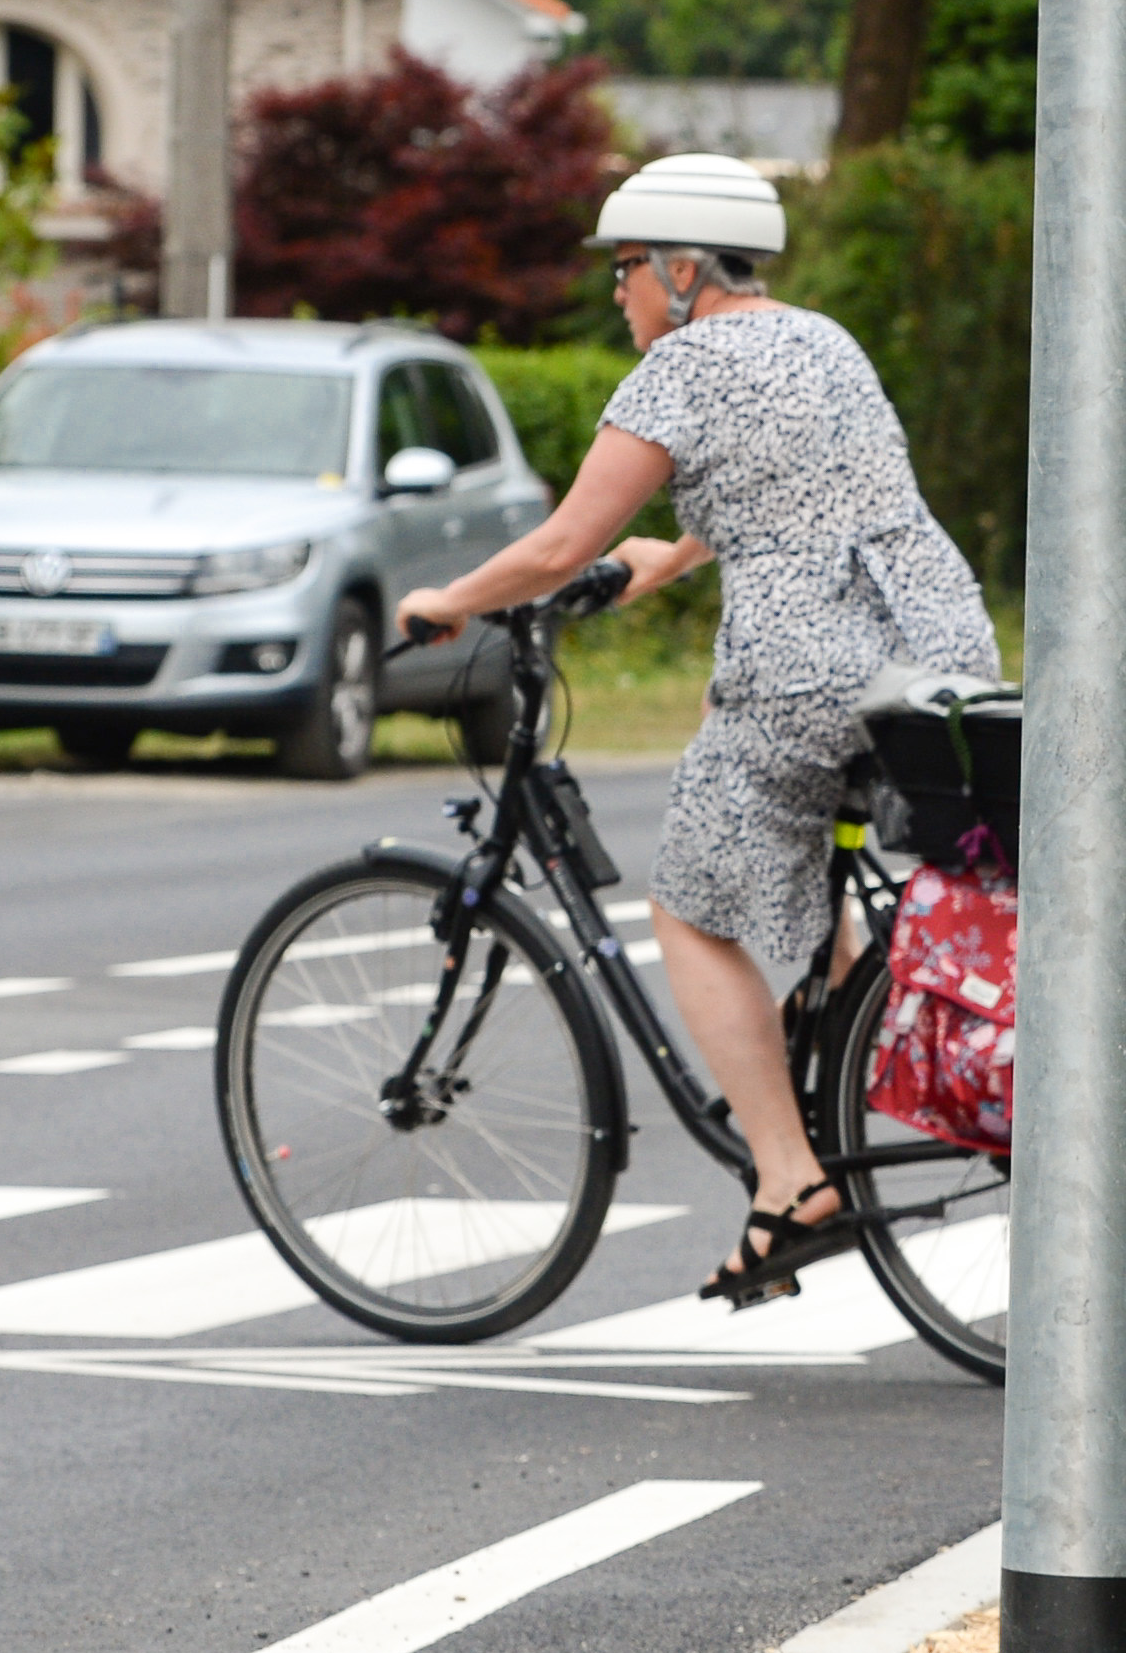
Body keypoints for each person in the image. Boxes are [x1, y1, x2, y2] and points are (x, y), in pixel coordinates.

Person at [392, 151, 1000, 1292]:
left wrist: (448, 602)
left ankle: (788, 1178)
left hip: (803, 667)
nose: (615, 293)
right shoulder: (825, 341)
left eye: (623, 269)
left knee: (684, 905)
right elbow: (788, 499)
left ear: (680, 269)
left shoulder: (682, 370)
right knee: (800, 857)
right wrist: (665, 561)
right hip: (932, 651)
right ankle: (848, 1050)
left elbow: (560, 541)